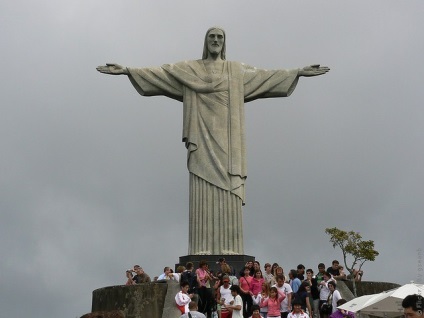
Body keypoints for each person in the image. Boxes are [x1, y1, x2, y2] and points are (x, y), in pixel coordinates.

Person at [97, 27, 329, 256]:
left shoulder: (236, 71)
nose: (216, 40)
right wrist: (127, 70)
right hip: (201, 134)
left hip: (228, 139)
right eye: (212, 37)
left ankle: (231, 249)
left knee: (229, 187)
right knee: (202, 186)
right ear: (205, 42)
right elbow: (161, 74)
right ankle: (201, 249)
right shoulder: (190, 70)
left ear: (224, 42)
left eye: (220, 37)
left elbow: (267, 77)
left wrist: (298, 71)